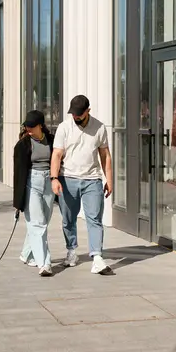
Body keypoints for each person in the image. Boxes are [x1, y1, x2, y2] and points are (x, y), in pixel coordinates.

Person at [50, 95, 114, 275]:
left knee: (94, 218)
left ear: (88, 111)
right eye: (74, 114)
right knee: (68, 219)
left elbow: (105, 156)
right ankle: (71, 251)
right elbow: (56, 154)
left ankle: (97, 257)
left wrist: (110, 180)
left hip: (92, 180)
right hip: (67, 179)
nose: (76, 117)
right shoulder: (64, 127)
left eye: (79, 114)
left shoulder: (99, 127)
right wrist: (54, 178)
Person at [13, 110, 55, 277]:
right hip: (32, 183)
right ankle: (44, 263)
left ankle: (26, 254)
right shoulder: (22, 145)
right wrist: (18, 202)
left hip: (49, 182)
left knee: (43, 221)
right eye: (26, 127)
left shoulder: (52, 140)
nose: (28, 129)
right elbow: (18, 174)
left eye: (31, 126)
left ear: (40, 126)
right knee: (38, 224)